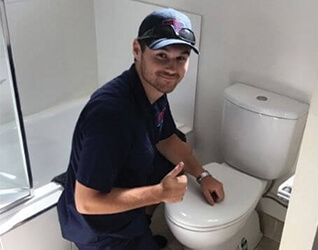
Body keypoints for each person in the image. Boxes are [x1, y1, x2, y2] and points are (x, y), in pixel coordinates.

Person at [57, 7, 225, 250]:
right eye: (162, 55)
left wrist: (203, 175)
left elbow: (167, 139)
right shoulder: (110, 116)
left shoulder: (153, 91)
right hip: (99, 231)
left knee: (176, 146)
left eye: (181, 58)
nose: (172, 69)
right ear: (137, 50)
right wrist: (160, 193)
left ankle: (141, 226)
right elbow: (87, 202)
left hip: (126, 211)